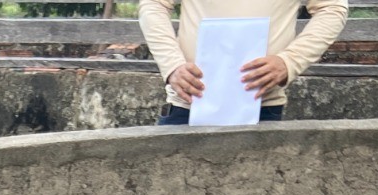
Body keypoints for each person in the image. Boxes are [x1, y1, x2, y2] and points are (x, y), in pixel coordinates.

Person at [137, 0, 348, 124]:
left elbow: (332, 8)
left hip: (262, 106)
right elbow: (153, 4)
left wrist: (290, 61)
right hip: (188, 103)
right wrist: (172, 65)